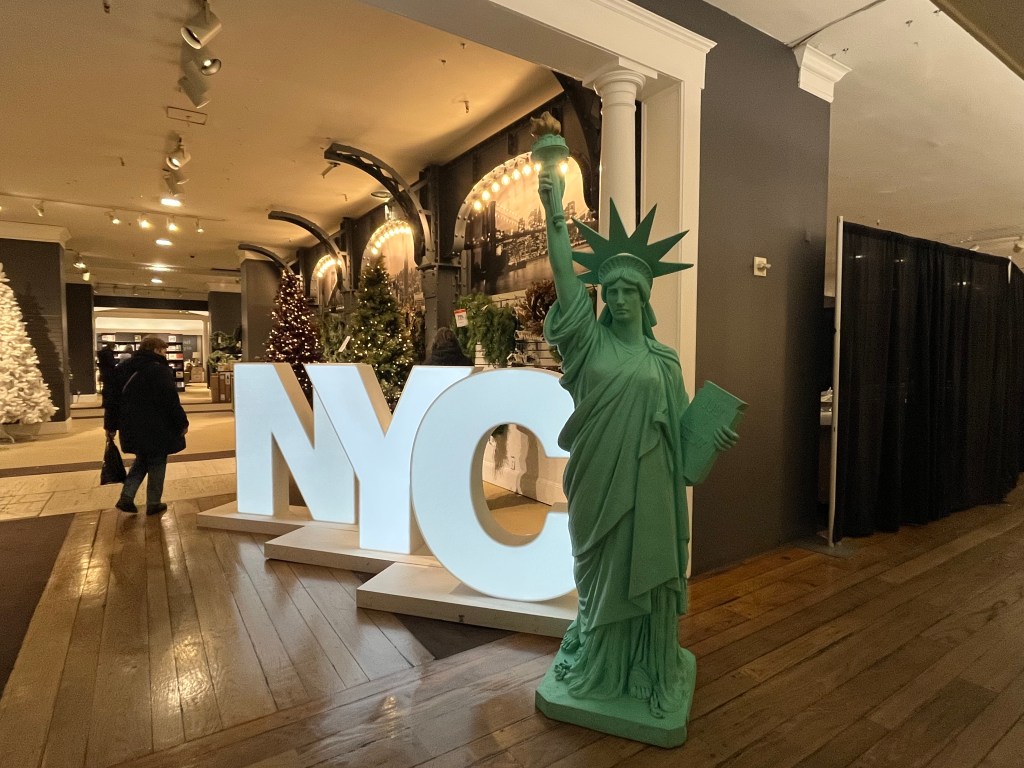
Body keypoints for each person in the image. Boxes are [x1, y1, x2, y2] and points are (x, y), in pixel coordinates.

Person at [536, 142, 737, 719]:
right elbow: (564, 275)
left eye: (632, 291)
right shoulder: (587, 342)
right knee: (599, 574)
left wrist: (709, 442)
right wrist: (554, 212)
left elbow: (680, 436)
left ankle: (647, 667)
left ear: (646, 298)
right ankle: (600, 662)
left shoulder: (664, 361)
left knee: (644, 575)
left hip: (650, 490)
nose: (622, 299)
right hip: (598, 482)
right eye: (614, 290)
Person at [103, 335, 189, 515]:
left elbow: (112, 400)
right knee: (157, 460)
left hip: (131, 425)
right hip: (157, 425)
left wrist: (110, 426)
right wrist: (182, 422)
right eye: (163, 351)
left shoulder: (124, 368)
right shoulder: (159, 370)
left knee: (142, 459)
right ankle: (153, 502)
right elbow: (170, 400)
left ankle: (126, 497)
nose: (165, 354)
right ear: (156, 350)